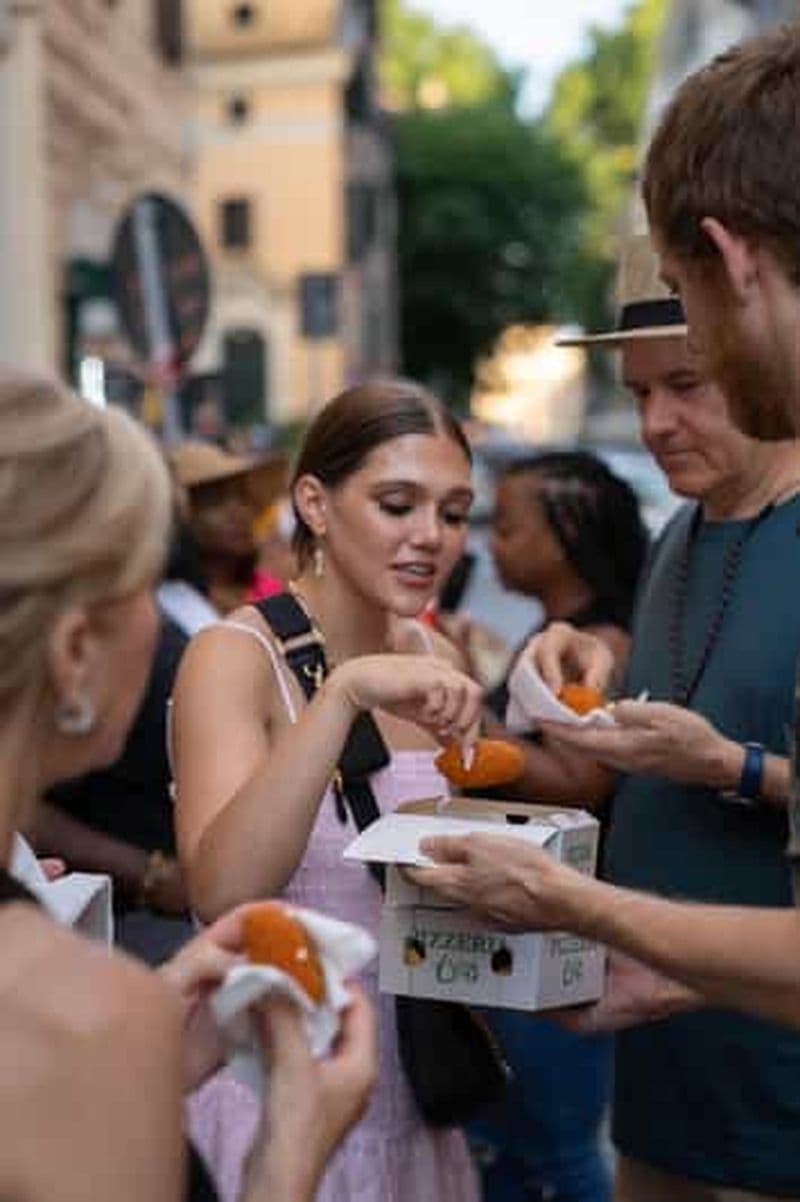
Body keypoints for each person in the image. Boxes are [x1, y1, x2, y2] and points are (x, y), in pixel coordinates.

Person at [410, 235, 800, 1201]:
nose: (658, 422)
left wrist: (738, 768)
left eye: (688, 385)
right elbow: (681, 700)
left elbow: (727, 748)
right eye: (638, 394)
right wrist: (589, 664)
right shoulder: (677, 534)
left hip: (776, 1094)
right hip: (658, 1076)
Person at [0, 368, 376, 1202]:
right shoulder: (74, 1014)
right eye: (143, 586)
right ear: (72, 654)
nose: (162, 621)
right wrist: (289, 1153)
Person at [172, 379, 484, 1202]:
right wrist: (342, 696)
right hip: (281, 1107)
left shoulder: (438, 656)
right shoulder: (233, 656)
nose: (431, 538)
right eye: (397, 504)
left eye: (453, 514)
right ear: (314, 502)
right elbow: (223, 890)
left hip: (415, 1102)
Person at [467, 450, 648, 1202]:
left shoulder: (599, 645)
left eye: (506, 527)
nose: (490, 544)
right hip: (523, 916)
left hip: (566, 929)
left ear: (566, 536)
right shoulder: (550, 630)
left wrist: (464, 724)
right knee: (513, 1142)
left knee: (558, 1146)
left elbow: (582, 779)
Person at [171, 441, 288, 615]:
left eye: (243, 497)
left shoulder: (273, 593)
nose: (239, 513)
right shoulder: (169, 604)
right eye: (215, 500)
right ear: (183, 515)